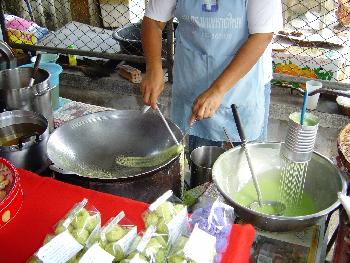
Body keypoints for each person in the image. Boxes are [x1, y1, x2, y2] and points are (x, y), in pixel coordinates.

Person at [141, 0, 283, 154]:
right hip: (193, 78)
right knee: (200, 158)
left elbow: (261, 36)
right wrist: (153, 67)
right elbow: (153, 22)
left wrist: (217, 90)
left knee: (247, 163)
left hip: (244, 84)